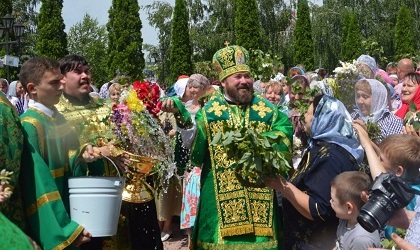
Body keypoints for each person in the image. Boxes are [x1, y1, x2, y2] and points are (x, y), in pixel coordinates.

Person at [161, 45, 293, 249]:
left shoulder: (268, 111)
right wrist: (185, 119)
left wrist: (260, 141)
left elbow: (284, 134)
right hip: (217, 209)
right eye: (237, 77)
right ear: (223, 82)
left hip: (260, 206)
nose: (244, 81)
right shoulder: (210, 112)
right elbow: (194, 149)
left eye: (247, 76)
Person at [57, 55, 163, 250]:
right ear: (62, 78)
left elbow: (124, 140)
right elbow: (55, 156)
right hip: (85, 200)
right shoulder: (57, 114)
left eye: (87, 72)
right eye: (78, 72)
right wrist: (89, 153)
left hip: (121, 196)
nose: (85, 76)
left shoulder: (106, 108)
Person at [19, 57, 101, 249]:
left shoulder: (58, 118)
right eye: (54, 83)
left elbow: (70, 156)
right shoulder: (30, 125)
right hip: (52, 224)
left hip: (70, 211)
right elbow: (38, 185)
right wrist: (63, 230)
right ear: (32, 89)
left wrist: (83, 154)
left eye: (61, 81)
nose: (61, 88)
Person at [266, 94, 363, 249]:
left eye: (309, 113)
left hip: (313, 241)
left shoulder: (330, 156)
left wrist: (282, 185)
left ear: (322, 118)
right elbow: (307, 184)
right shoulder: (322, 145)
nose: (304, 116)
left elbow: (319, 209)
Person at [330, 171, 381, 249]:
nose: (330, 201)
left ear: (349, 208)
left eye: (333, 200)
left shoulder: (361, 240)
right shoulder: (345, 218)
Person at [352, 79, 403, 143]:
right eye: (358, 96)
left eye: (365, 97)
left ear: (377, 98)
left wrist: (368, 136)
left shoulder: (392, 122)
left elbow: (391, 151)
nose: (360, 101)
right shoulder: (353, 117)